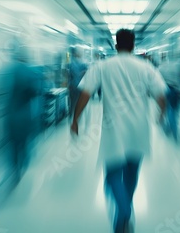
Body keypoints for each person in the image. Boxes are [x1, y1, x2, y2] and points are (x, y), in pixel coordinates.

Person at [70, 29, 167, 233]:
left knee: (113, 173)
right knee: (132, 171)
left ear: (116, 46)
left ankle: (123, 213)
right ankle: (124, 215)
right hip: (139, 127)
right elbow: (160, 94)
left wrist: (75, 119)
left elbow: (86, 93)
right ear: (133, 46)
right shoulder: (146, 67)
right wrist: (161, 113)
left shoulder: (102, 66)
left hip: (113, 128)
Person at [6, 45, 37, 185]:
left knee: (13, 142)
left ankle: (15, 169)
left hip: (10, 114)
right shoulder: (30, 71)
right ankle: (23, 161)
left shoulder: (9, 71)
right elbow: (35, 92)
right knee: (24, 141)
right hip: (24, 113)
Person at [159, 59, 180, 141]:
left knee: (169, 109)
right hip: (176, 90)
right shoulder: (176, 67)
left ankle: (170, 128)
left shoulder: (160, 68)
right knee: (174, 110)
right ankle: (173, 130)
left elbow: (159, 81)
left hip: (166, 89)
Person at [68, 48, 88, 116]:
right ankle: (76, 116)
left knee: (73, 103)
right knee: (78, 103)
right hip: (78, 87)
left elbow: (68, 75)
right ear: (76, 53)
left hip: (73, 86)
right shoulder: (82, 63)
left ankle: (73, 116)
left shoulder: (71, 63)